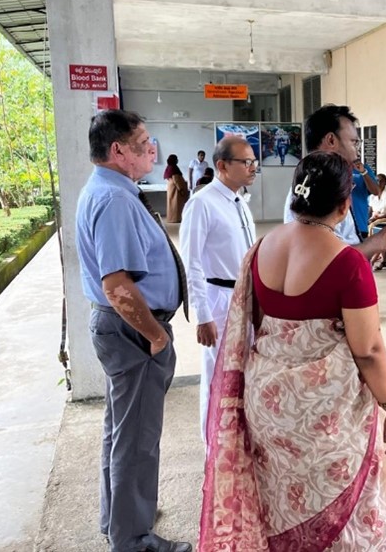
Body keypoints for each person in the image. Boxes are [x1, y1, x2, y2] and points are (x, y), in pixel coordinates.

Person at [199, 152, 386, 550]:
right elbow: (368, 349)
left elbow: (260, 325)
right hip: (327, 411)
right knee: (355, 506)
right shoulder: (348, 264)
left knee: (281, 498)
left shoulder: (261, 248)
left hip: (269, 402)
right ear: (345, 205)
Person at [76, 109, 191, 552]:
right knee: (137, 439)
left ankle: (120, 515)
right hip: (133, 329)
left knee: (121, 431)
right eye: (143, 142)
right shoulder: (116, 200)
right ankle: (134, 538)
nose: (152, 149)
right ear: (118, 150)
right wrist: (157, 337)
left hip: (123, 329)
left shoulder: (110, 190)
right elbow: (118, 287)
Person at [180, 136, 257, 442]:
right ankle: (213, 446)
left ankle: (236, 443)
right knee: (217, 376)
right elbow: (192, 262)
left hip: (244, 298)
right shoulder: (202, 203)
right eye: (246, 162)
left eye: (254, 162)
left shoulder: (239, 202)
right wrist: (202, 315)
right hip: (219, 301)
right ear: (223, 166)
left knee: (243, 373)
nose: (253, 168)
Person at [283, 104, 386, 258]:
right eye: (354, 142)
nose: (357, 151)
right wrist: (379, 241)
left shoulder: (327, 180)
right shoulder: (315, 188)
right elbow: (325, 258)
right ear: (331, 140)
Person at [164, 154, 188, 223]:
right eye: (176, 159)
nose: (177, 160)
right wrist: (181, 189)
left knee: (171, 203)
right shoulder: (173, 168)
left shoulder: (169, 167)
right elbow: (176, 179)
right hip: (175, 189)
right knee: (176, 204)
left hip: (171, 187)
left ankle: (171, 218)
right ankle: (175, 218)